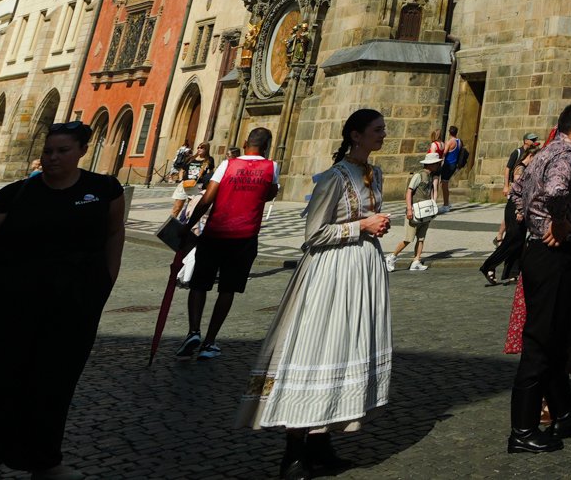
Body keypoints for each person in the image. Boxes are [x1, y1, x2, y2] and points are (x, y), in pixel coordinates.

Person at [0, 118, 125, 480]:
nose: (52, 158)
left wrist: (106, 279)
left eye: (62, 151)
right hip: (9, 305)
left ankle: (42, 458)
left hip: (72, 305)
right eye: (47, 151)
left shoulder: (105, 189)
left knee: (54, 383)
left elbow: (114, 233)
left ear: (83, 151)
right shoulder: (15, 194)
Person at [243, 108, 394, 480]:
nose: (383, 135)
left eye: (384, 130)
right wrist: (361, 226)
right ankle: (294, 452)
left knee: (345, 351)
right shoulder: (333, 178)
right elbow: (312, 235)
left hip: (362, 273)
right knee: (315, 348)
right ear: (355, 135)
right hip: (330, 276)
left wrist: (374, 226)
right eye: (377, 130)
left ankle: (321, 441)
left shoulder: (375, 174)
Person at [509, 101, 571, 453]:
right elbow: (558, 190)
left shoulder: (544, 152)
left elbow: (518, 191)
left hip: (542, 253)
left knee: (556, 339)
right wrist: (557, 221)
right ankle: (523, 429)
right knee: (541, 340)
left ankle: (563, 412)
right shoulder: (567, 154)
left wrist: (530, 219)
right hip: (554, 256)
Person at [177, 125, 280, 361]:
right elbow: (271, 194)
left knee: (199, 285)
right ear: (266, 147)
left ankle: (193, 331)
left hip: (215, 233)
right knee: (227, 289)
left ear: (245, 143)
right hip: (244, 237)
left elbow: (207, 198)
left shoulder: (228, 164)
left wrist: (188, 224)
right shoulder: (272, 167)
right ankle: (210, 341)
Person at [483, 133, 543, 286]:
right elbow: (517, 192)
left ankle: (513, 273)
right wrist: (519, 210)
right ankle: (489, 265)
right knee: (512, 240)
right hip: (515, 208)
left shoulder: (527, 169)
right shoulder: (520, 170)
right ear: (530, 157)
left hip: (521, 208)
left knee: (518, 240)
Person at [388, 151, 442, 272]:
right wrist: (408, 209)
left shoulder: (432, 176)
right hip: (414, 210)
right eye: (436, 163)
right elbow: (409, 191)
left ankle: (416, 260)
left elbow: (433, 192)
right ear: (431, 164)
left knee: (421, 238)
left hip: (425, 211)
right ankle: (392, 257)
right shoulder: (419, 175)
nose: (438, 165)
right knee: (408, 238)